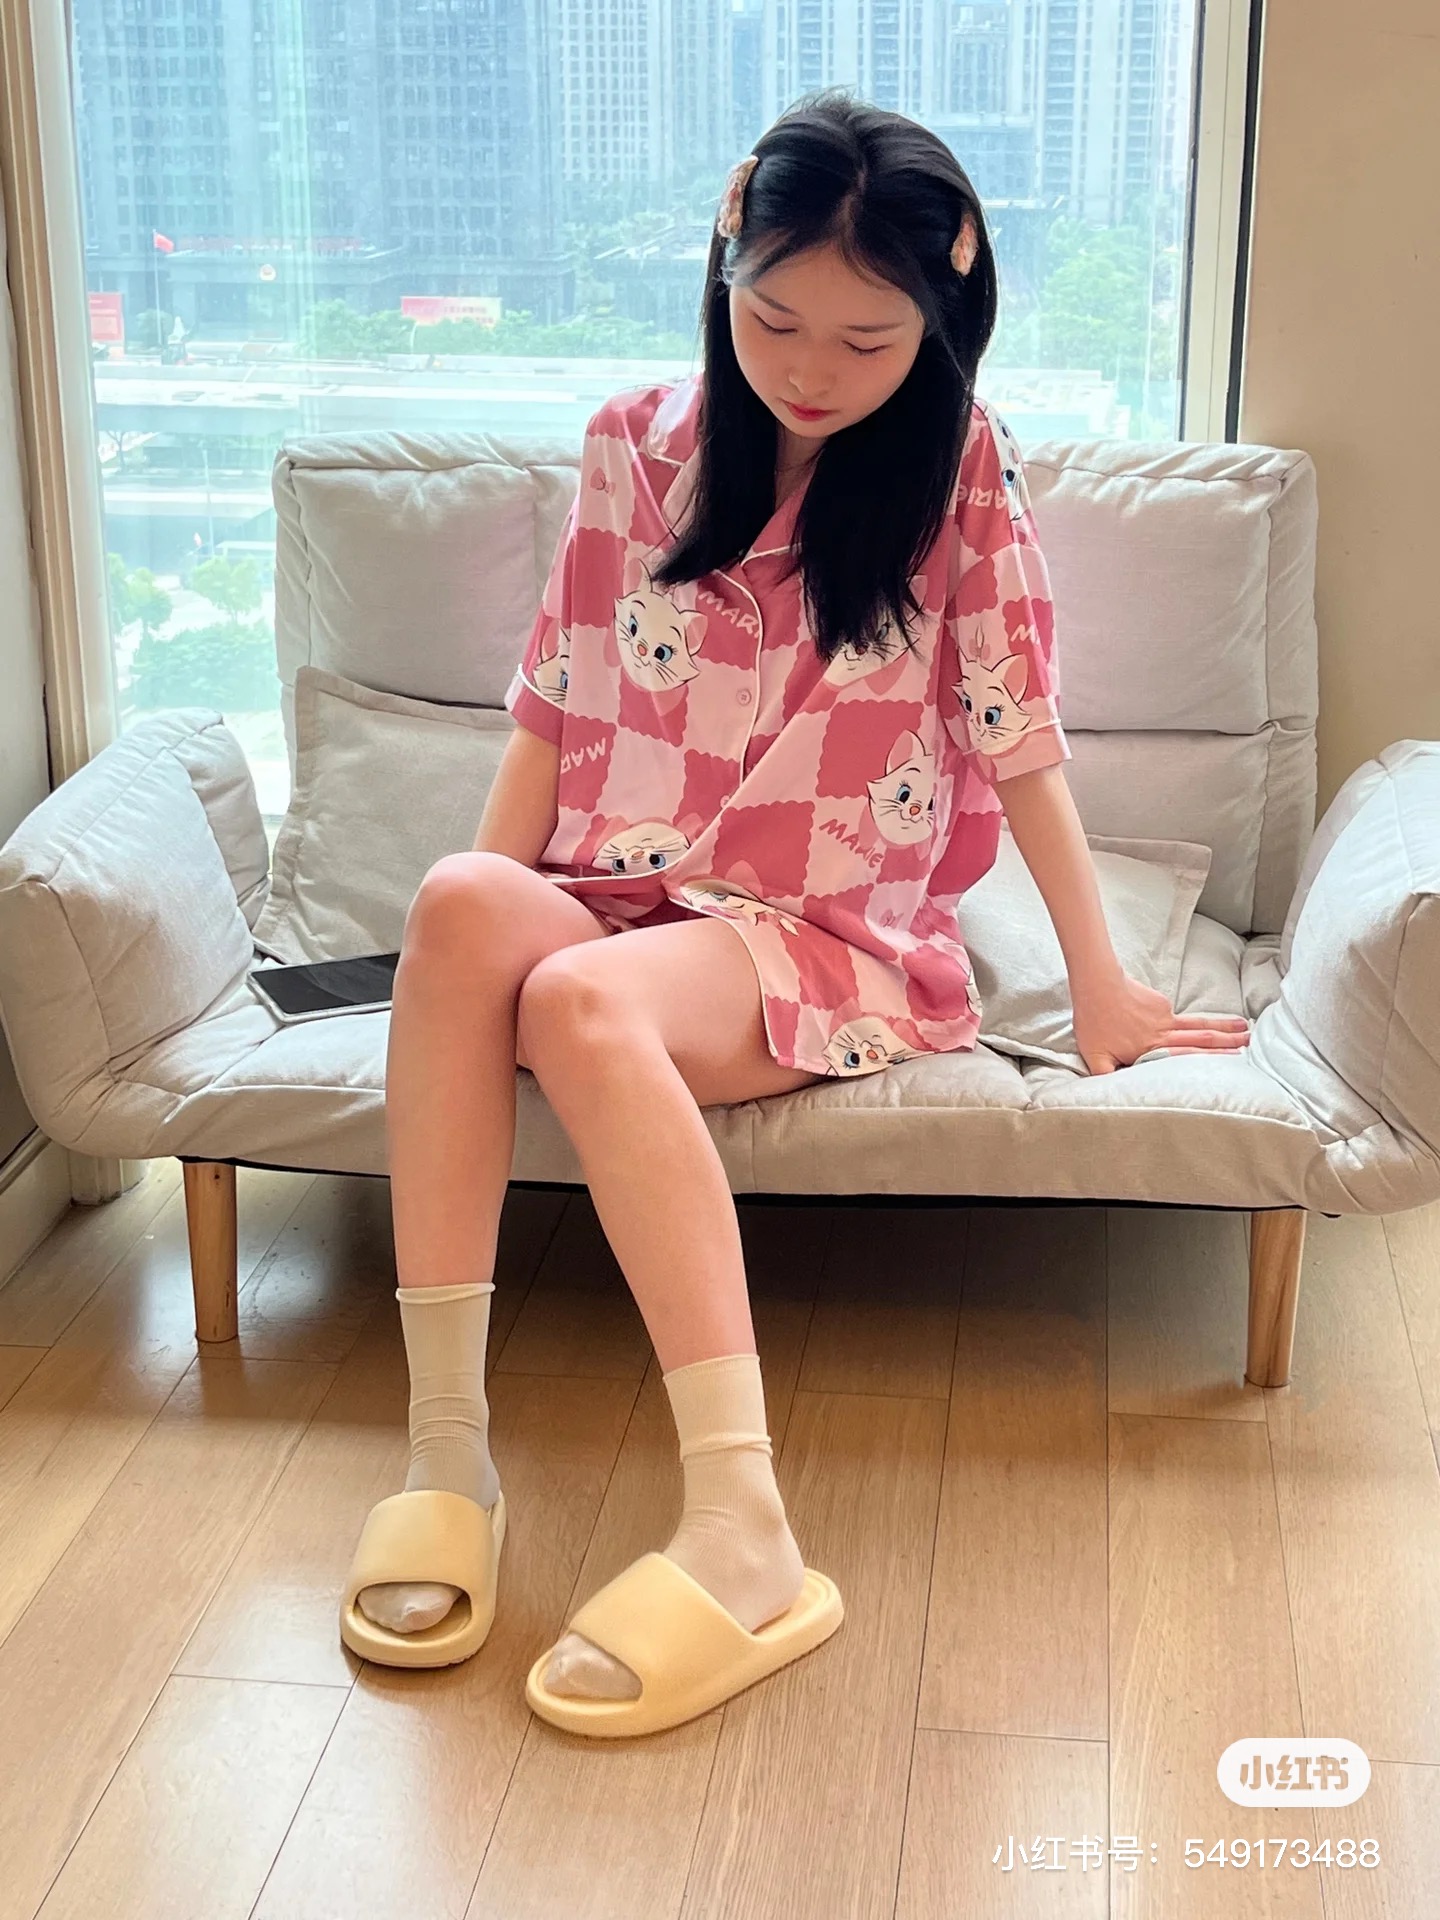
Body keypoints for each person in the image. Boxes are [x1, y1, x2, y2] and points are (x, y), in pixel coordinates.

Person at [338, 89, 1252, 1737]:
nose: (812, 370)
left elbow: (1016, 732)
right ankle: (446, 1458)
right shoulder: (632, 444)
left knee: (580, 1004)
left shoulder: (960, 472)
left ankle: (746, 1522)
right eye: (773, 321)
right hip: (620, 897)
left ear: (942, 318)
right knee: (465, 908)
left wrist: (1103, 984)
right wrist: (467, 954)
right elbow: (552, 706)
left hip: (824, 934)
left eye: (867, 338)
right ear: (723, 269)